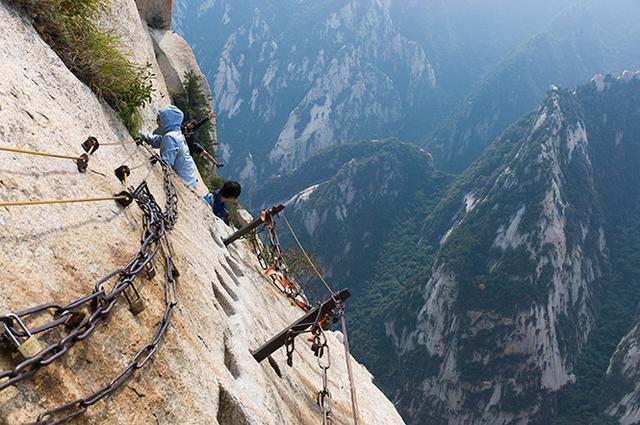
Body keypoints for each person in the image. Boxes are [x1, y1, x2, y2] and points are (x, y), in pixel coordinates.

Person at [140, 105, 198, 188]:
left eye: (159, 119)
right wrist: (145, 136)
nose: (157, 121)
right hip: (189, 178)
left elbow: (166, 163)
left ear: (167, 121)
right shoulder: (176, 133)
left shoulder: (170, 137)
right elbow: (159, 140)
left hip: (184, 182)